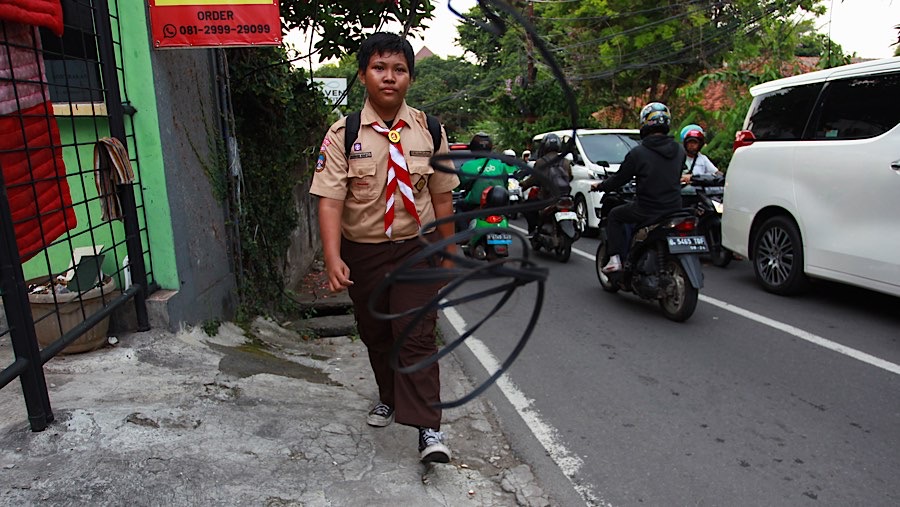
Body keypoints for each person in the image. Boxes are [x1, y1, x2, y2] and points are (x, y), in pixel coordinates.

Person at [309, 32, 459, 464]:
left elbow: (444, 195)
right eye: (380, 68)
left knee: (414, 335)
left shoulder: (430, 130)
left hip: (418, 247)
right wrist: (333, 257)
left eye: (399, 69)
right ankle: (388, 396)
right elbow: (331, 200)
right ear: (363, 75)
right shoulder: (344, 133)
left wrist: (447, 253)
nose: (389, 77)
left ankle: (428, 428)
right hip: (366, 251)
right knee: (377, 332)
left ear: (410, 78)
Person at [590, 102, 684, 273]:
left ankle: (615, 259)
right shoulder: (680, 150)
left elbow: (619, 179)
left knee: (615, 215)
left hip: (647, 209)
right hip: (674, 208)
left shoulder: (638, 153)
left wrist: (600, 186)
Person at [455, 133, 511, 230]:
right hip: (498, 206)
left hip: (475, 205)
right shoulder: (500, 165)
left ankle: (463, 236)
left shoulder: (467, 166)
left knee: (459, 206)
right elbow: (505, 183)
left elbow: (458, 185)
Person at [520, 133, 573, 235]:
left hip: (546, 198)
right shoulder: (566, 161)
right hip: (564, 197)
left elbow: (534, 179)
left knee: (526, 207)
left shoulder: (540, 162)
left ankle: (533, 230)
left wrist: (523, 184)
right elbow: (570, 177)